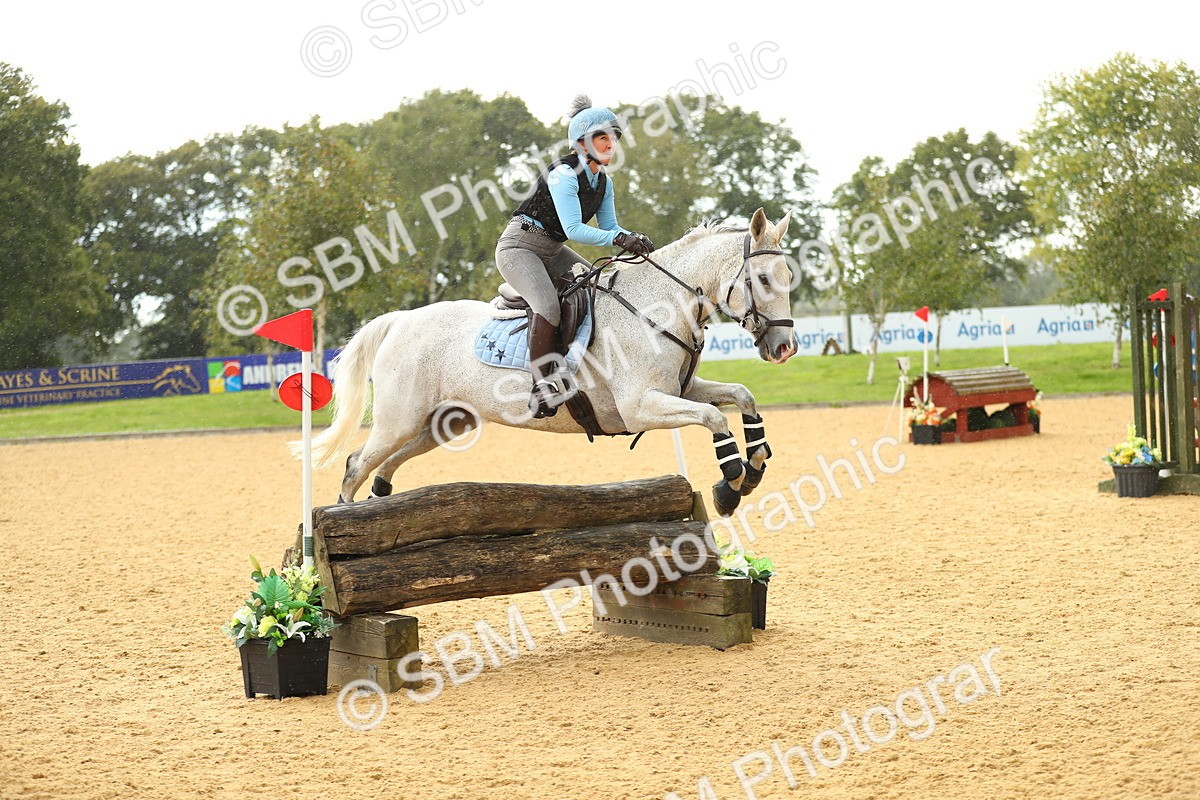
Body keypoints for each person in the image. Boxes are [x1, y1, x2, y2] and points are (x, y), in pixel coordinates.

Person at [496, 95, 655, 419]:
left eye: (613, 138)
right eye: (602, 137)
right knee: (548, 305)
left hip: (551, 249)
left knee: (598, 289)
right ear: (581, 143)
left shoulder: (602, 183)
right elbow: (574, 227)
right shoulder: (562, 174)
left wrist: (631, 237)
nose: (610, 144)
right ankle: (541, 386)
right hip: (519, 248)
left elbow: (610, 226)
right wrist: (618, 238)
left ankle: (580, 367)